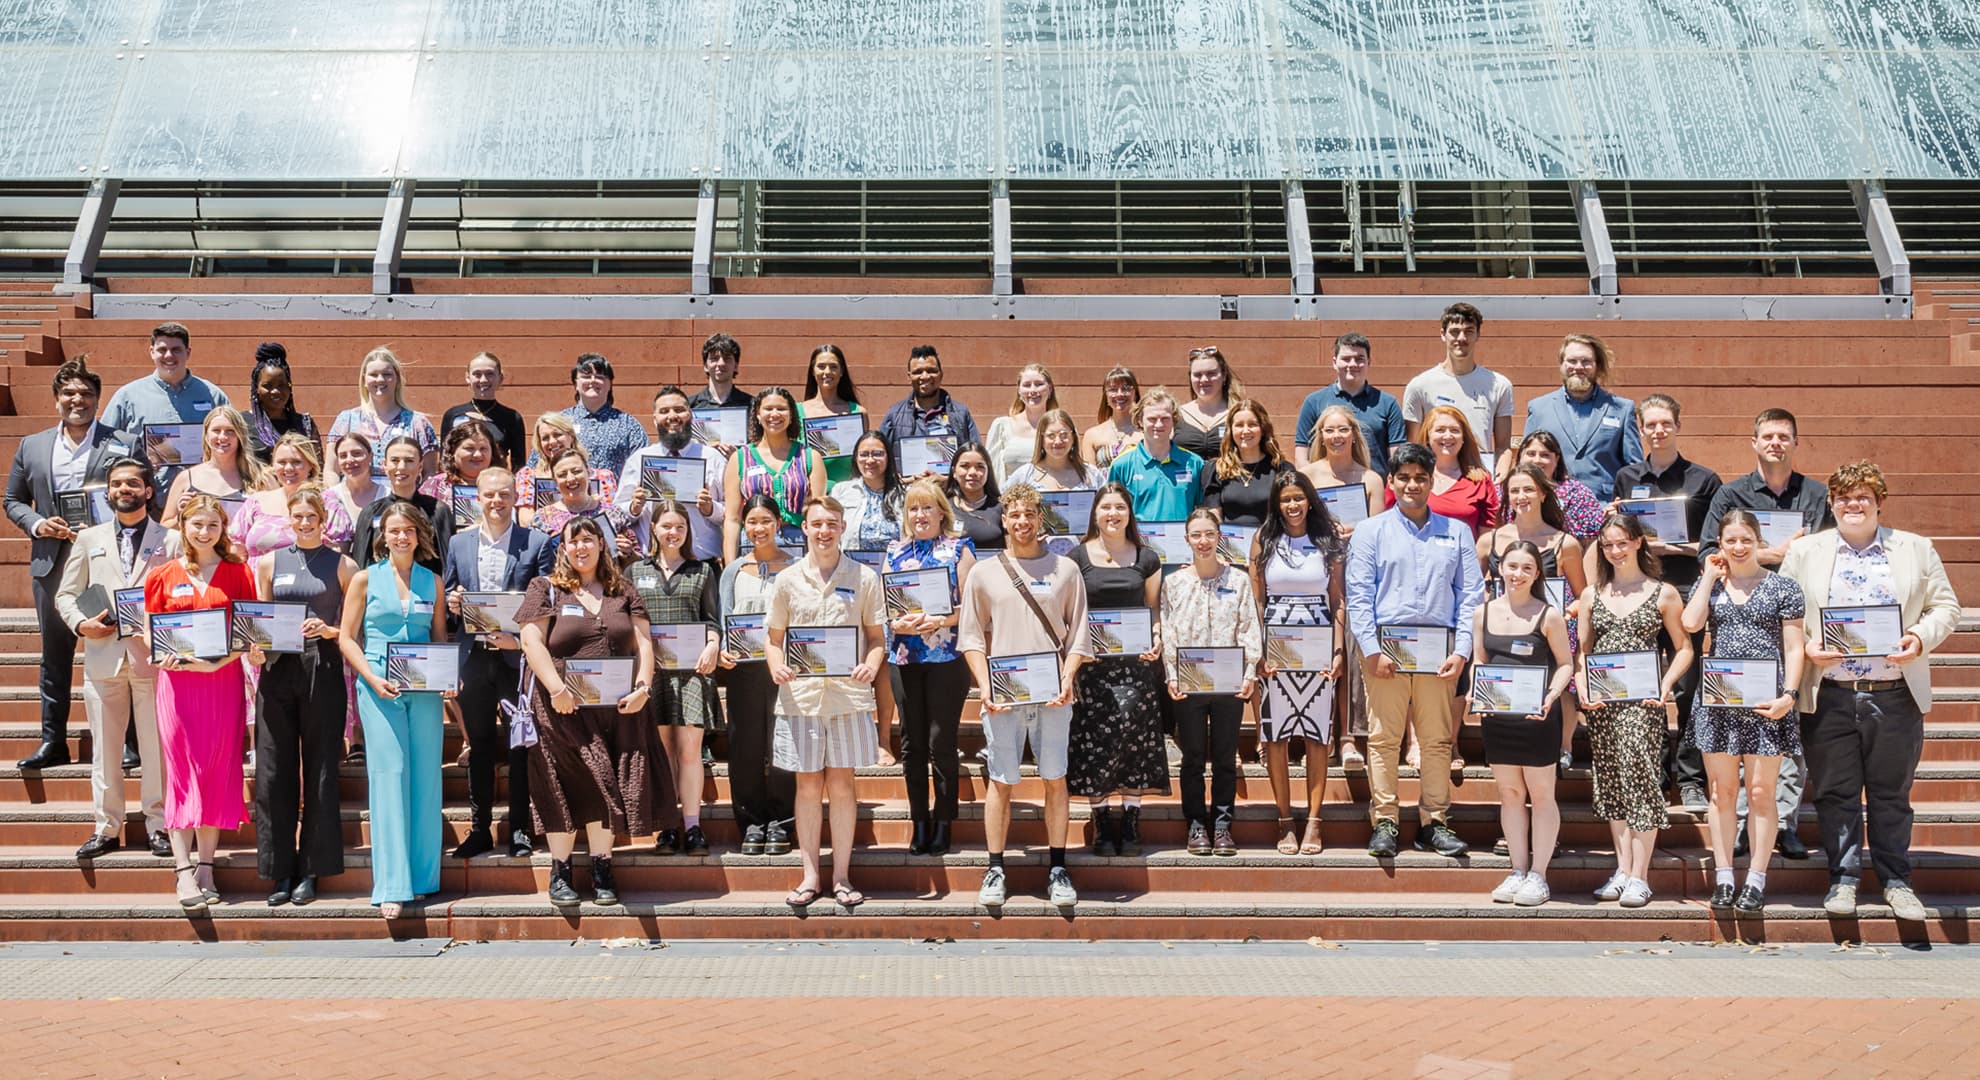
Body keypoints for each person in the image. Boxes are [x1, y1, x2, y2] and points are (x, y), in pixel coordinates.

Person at [1783, 461, 1961, 921]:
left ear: (1880, 502)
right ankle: (1842, 880)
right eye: (1843, 497)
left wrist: (1919, 637)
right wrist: (1806, 645)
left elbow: (1947, 606)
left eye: (1863, 496)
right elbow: (1784, 614)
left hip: (1895, 690)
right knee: (1836, 792)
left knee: (1890, 793)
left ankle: (1896, 881)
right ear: (1832, 504)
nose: (1853, 504)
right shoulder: (1807, 552)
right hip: (1831, 690)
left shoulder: (1916, 549)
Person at [1699, 407, 1835, 860]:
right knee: (1739, 730)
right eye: (1767, 435)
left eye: (1784, 436)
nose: (1775, 442)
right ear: (1753, 442)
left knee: (1783, 728)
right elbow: (1708, 550)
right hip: (1742, 614)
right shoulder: (1731, 493)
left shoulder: (1816, 495)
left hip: (1800, 613)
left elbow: (1828, 554)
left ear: (1796, 442)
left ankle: (1787, 822)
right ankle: (1743, 826)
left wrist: (1780, 564)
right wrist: (1773, 554)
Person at [1346, 442, 1483, 859]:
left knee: (1437, 740)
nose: (1412, 484)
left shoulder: (1455, 531)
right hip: (1385, 651)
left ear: (1430, 483)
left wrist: (1462, 650)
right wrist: (1370, 649)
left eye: (1420, 478)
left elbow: (1471, 595)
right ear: (1391, 482)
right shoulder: (1371, 531)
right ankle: (1385, 820)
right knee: (1384, 739)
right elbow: (1358, 595)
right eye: (1403, 477)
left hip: (1438, 653)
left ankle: (1434, 822)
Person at [516, 516, 660, 908]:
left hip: (618, 710)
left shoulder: (623, 589)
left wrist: (644, 687)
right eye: (572, 541)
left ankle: (601, 868)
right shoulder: (545, 588)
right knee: (562, 785)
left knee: (606, 784)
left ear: (602, 544)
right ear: (563, 548)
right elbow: (532, 642)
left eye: (588, 540)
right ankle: (560, 870)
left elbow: (645, 645)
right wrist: (557, 688)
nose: (581, 547)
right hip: (561, 708)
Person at [959, 483, 1092, 908]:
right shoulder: (984, 572)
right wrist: (983, 686)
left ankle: (1057, 866)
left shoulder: (1065, 570)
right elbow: (971, 637)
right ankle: (995, 866)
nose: (1022, 522)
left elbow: (1079, 636)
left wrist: (1069, 677)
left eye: (1029, 514)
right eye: (1014, 515)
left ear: (1040, 518)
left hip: (1053, 693)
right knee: (1001, 781)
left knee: (1055, 778)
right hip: (1004, 695)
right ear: (1004, 520)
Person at [6, 357, 139, 770]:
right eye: (69, 393)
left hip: (108, 561)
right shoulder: (33, 445)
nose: (77, 400)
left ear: (98, 399)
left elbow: (136, 493)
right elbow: (12, 500)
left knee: (123, 648)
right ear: (56, 398)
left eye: (85, 393)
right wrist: (38, 523)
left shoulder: (122, 442)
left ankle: (129, 743)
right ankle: (53, 741)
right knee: (56, 654)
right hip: (55, 561)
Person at [1681, 509, 1807, 914]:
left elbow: (1794, 647)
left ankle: (1755, 878)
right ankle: (1723, 875)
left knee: (1760, 792)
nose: (1737, 548)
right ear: (1720, 544)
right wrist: (1707, 577)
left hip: (1766, 703)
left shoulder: (1783, 587)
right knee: (1722, 793)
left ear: (1758, 541)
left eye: (1745, 540)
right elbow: (1690, 622)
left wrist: (1789, 694)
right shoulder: (1713, 586)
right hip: (1720, 702)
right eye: (1730, 540)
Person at [765, 497, 888, 909]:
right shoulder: (786, 580)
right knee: (806, 785)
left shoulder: (865, 577)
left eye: (831, 524)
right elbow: (773, 640)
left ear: (842, 527)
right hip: (800, 698)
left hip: (847, 697)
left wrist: (871, 666)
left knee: (841, 785)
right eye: (817, 524)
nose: (824, 531)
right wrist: (777, 666)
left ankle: (841, 876)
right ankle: (810, 876)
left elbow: (876, 639)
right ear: (804, 527)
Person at [338, 502, 453, 919]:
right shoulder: (365, 580)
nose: (401, 536)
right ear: (380, 536)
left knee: (425, 780)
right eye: (393, 530)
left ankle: (421, 879)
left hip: (423, 691)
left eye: (408, 530)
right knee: (390, 778)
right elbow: (347, 639)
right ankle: (391, 884)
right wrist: (370, 678)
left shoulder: (433, 581)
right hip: (379, 685)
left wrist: (448, 678)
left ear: (419, 534)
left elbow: (439, 638)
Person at [55, 456, 173, 861]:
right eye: (118, 484)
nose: (125, 490)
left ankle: (159, 825)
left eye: (133, 484)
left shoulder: (170, 539)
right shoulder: (88, 540)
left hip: (153, 659)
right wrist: (80, 625)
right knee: (106, 749)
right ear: (107, 493)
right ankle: (107, 827)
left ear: (148, 491)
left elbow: (181, 596)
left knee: (156, 748)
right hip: (103, 656)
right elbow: (65, 595)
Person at [144, 493, 257, 913]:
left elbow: (248, 631)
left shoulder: (237, 572)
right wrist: (164, 656)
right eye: (197, 525)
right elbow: (149, 636)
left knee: (217, 769)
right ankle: (181, 870)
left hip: (222, 683)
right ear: (184, 527)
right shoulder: (161, 576)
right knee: (181, 771)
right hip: (177, 688)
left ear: (222, 528)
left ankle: (206, 867)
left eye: (212, 525)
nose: (205, 532)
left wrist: (218, 665)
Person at [1610, 393, 1723, 808]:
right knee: (1644, 685)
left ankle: (1690, 777)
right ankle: (1653, 774)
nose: (1658, 431)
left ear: (1678, 426)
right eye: (1650, 425)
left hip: (1688, 590)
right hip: (1640, 592)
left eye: (1665, 424)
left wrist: (1673, 548)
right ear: (1640, 428)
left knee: (1689, 688)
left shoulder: (1704, 480)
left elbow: (1714, 544)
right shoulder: (1627, 477)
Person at [1577, 513, 1693, 909]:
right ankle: (1623, 869)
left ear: (1638, 542)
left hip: (1643, 703)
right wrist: (1583, 690)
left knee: (1641, 779)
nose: (1614, 551)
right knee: (1612, 784)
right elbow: (1583, 654)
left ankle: (1641, 876)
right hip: (1604, 703)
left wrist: (1664, 686)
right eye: (1607, 545)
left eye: (1621, 543)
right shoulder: (1592, 594)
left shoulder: (1663, 593)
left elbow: (1684, 648)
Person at [249, 484, 356, 906]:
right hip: (278, 665)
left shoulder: (343, 564)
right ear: (289, 520)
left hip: (322, 664)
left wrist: (330, 631)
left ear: (324, 521)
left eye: (313, 517)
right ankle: (279, 870)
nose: (306, 523)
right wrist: (256, 646)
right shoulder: (269, 562)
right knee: (274, 771)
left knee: (321, 768)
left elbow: (351, 625)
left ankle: (311, 869)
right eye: (299, 517)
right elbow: (259, 618)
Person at [441, 466, 554, 860]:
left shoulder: (536, 542)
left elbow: (546, 600)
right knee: (480, 745)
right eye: (489, 495)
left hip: (516, 659)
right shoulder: (458, 543)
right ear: (477, 497)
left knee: (521, 744)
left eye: (504, 495)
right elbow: (451, 598)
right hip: (474, 658)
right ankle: (479, 829)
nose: (496, 502)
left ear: (515, 497)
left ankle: (521, 829)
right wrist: (454, 604)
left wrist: (520, 640)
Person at [1468, 541, 1573, 908]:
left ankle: (1539, 875)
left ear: (1537, 574)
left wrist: (1551, 696)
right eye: (1512, 566)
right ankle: (1518, 869)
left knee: (1542, 794)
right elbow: (1480, 660)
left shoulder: (1549, 615)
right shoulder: (1482, 613)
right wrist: (1475, 690)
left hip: (1538, 718)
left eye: (1526, 568)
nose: (1517, 574)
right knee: (1510, 794)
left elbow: (1565, 664)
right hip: (1499, 718)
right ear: (1499, 568)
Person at [1066, 482, 1168, 856]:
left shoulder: (1147, 558)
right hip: (1092, 666)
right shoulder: (1077, 558)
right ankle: (1101, 819)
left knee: (1133, 739)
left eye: (1119, 508)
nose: (1113, 514)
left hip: (1135, 665)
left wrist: (1156, 636)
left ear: (1129, 513)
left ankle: (1131, 818)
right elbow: (1072, 613)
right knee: (1095, 742)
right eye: (1106, 507)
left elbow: (1153, 608)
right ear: (1095, 513)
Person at [1251, 471, 1346, 855]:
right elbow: (1257, 599)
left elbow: (1337, 599)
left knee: (1317, 736)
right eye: (1285, 499)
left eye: (1298, 498)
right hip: (1276, 652)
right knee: (1276, 736)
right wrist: (1258, 649)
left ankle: (1314, 821)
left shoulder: (1326, 541)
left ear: (1309, 500)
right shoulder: (1264, 540)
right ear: (1276, 503)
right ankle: (1285, 819)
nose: (1292, 505)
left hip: (1319, 649)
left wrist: (1339, 650)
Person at [1162, 508, 1263, 856]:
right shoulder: (1174, 582)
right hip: (1189, 683)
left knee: (1223, 756)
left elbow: (1250, 627)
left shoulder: (1237, 580)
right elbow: (1169, 630)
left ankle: (1221, 823)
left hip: (1229, 683)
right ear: (1187, 539)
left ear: (1219, 536)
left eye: (1209, 534)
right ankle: (1194, 823)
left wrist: (1250, 672)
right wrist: (1171, 674)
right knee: (1191, 756)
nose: (1203, 541)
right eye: (1196, 535)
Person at [886, 482, 979, 856]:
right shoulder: (894, 550)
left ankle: (943, 822)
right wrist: (896, 623)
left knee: (942, 743)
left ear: (942, 511)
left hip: (946, 658)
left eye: (927, 508)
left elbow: (971, 608)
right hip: (905, 657)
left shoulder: (959, 549)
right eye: (913, 509)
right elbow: (887, 607)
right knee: (912, 746)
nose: (920, 515)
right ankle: (918, 821)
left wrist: (942, 618)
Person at [627, 500, 722, 856]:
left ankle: (693, 826)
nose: (673, 532)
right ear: (653, 528)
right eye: (666, 526)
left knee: (689, 750)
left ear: (688, 530)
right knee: (663, 750)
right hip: (653, 673)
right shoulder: (635, 571)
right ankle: (668, 825)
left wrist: (713, 644)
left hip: (692, 671)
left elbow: (712, 619)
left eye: (679, 527)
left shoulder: (702, 570)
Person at [1480, 465, 1589, 771]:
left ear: (1543, 493)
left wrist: (1568, 613)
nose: (1521, 496)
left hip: (1548, 631)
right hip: (1502, 631)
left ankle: (1563, 746)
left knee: (1556, 693)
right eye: (1514, 490)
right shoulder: (1490, 540)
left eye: (1528, 489)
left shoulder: (1564, 543)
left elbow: (1584, 595)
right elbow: (1476, 591)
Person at [1296, 403, 1382, 770]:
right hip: (1315, 572)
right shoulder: (1307, 475)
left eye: (1342, 430)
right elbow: (1294, 519)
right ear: (1320, 436)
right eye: (1329, 430)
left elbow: (1379, 530)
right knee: (1316, 656)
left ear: (1353, 434)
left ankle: (1347, 738)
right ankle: (1316, 734)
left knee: (1348, 654)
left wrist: (1356, 530)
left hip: (1356, 574)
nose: (1336, 436)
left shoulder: (1370, 478)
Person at [717, 494, 798, 856]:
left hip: (785, 671)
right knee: (746, 748)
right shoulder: (733, 570)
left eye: (766, 520)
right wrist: (722, 648)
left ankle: (781, 823)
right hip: (744, 671)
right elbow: (723, 618)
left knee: (784, 744)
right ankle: (750, 821)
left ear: (779, 523)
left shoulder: (797, 567)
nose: (759, 528)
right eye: (752, 521)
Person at [99, 323, 232, 497]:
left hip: (202, 497)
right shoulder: (127, 397)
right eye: (162, 350)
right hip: (147, 499)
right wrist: (136, 463)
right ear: (152, 352)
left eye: (176, 349)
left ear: (188, 352)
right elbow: (107, 445)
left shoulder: (213, 395)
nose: (169, 356)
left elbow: (234, 440)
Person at [1522, 333, 1641, 501]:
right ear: (1561, 365)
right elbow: (1527, 464)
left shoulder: (1621, 409)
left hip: (1604, 509)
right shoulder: (1539, 408)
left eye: (1586, 361)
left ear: (1597, 366)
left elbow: (1634, 469)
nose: (1578, 367)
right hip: (1551, 508)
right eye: (1572, 361)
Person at [1401, 303, 1513, 478]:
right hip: (1436, 480)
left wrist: (1499, 478)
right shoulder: (1419, 386)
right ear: (1443, 335)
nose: (1461, 338)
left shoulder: (1499, 385)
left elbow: (1503, 446)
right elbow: (1413, 446)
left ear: (1478, 335)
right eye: (1454, 331)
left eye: (1469, 331)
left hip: (1479, 477)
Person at [616, 385, 727, 561]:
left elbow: (732, 513)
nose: (672, 416)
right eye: (664, 411)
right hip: (652, 563)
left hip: (702, 562)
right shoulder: (638, 460)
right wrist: (634, 507)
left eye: (679, 410)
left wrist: (711, 509)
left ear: (690, 415)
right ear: (654, 419)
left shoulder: (713, 458)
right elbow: (617, 512)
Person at [722, 387, 827, 560]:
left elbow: (817, 515)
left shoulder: (810, 457)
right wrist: (730, 567)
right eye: (768, 409)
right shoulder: (739, 458)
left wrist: (817, 562)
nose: (775, 414)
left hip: (797, 545)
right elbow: (732, 519)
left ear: (792, 414)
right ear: (757, 414)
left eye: (782, 409)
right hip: (752, 543)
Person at [1294, 332, 1406, 477]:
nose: (1353, 364)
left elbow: (1397, 455)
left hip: (1375, 489)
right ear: (1334, 362)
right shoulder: (1314, 401)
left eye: (1359, 359)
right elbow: (1301, 455)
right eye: (1346, 359)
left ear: (1369, 362)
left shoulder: (1387, 403)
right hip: (1327, 493)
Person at [324, 346, 439, 480]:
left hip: (403, 499)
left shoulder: (418, 423)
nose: (380, 379)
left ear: (397, 379)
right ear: (364, 380)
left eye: (387, 374)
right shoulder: (346, 420)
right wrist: (337, 499)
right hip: (354, 498)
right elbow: (331, 471)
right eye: (373, 374)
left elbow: (429, 474)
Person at [347, 436, 453, 577]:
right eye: (395, 460)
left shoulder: (437, 510)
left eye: (409, 461)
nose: (401, 467)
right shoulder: (371, 512)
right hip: (383, 593)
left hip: (427, 594)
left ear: (420, 466)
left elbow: (448, 566)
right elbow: (361, 564)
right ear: (384, 465)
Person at [236, 435, 350, 560]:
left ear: (310, 465)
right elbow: (234, 546)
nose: (289, 468)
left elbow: (339, 554)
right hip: (255, 578)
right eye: (282, 462)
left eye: (296, 462)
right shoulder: (256, 501)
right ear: (273, 465)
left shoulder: (327, 501)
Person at [1106, 387, 1206, 524]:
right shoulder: (1121, 465)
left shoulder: (1195, 463)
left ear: (1174, 421)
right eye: (1152, 419)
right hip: (1139, 544)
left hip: (1183, 543)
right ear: (1140, 421)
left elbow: (1202, 511)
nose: (1158, 424)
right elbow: (1111, 514)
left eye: (1165, 418)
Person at [878, 345, 981, 476]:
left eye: (931, 370)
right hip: (907, 492)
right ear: (909, 376)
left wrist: (949, 480)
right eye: (918, 372)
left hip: (949, 493)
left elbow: (976, 455)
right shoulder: (894, 414)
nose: (925, 376)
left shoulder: (960, 413)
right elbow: (880, 455)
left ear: (941, 374)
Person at [1398, 405, 1498, 538]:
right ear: (1427, 436)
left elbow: (1487, 535)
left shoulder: (1480, 481)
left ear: (1463, 439)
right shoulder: (1405, 477)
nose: (1448, 436)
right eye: (1440, 430)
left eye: (1455, 430)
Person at [159, 405, 262, 528]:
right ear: (206, 435)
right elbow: (164, 527)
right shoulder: (186, 478)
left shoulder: (258, 478)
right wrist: (182, 515)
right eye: (216, 430)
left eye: (230, 431)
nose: (223, 437)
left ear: (240, 436)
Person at [533, 447, 636, 563]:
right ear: (555, 480)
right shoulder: (542, 518)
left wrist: (628, 552)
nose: (570, 478)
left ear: (588, 471)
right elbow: (536, 562)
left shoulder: (613, 513)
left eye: (576, 471)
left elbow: (637, 559)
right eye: (562, 475)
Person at [516, 412, 619, 524]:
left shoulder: (602, 477)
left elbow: (611, 518)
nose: (552, 441)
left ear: (571, 436)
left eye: (557, 435)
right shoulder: (529, 477)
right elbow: (525, 521)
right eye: (545, 438)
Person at [1203, 398, 1292, 526]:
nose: (1245, 431)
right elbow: (1215, 518)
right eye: (1239, 425)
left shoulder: (1282, 469)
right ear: (1231, 430)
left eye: (1252, 424)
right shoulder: (1217, 470)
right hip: (1231, 544)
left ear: (1263, 429)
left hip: (1271, 542)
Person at [560, 353, 648, 480]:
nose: (592, 380)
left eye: (599, 377)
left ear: (609, 384)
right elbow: (537, 465)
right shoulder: (560, 422)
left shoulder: (629, 425)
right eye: (586, 376)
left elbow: (643, 468)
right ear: (575, 384)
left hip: (615, 499)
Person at [441, 351, 528, 472]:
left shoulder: (512, 417)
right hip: (459, 486)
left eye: (490, 374)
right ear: (468, 377)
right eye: (477, 374)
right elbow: (444, 458)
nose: (483, 380)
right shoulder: (452, 415)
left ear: (500, 378)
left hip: (495, 485)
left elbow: (519, 465)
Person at [797, 343, 866, 486]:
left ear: (841, 372)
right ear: (812, 371)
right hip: (810, 495)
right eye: (821, 366)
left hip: (849, 493)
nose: (827, 372)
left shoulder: (858, 412)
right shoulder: (796, 411)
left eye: (833, 367)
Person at [1516, 431, 1604, 539]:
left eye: (1545, 455)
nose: (1537, 460)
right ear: (1520, 456)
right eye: (1531, 454)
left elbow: (1591, 539)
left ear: (1556, 459)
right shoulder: (1503, 491)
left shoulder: (1577, 493)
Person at [984, 362, 1059, 488]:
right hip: (1012, 503)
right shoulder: (1002, 426)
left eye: (1039, 384)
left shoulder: (1060, 427)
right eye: (1027, 385)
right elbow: (991, 471)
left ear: (1050, 389)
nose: (1033, 390)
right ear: (1019, 390)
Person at [830, 431, 905, 556]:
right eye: (864, 455)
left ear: (888, 457)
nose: (870, 460)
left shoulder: (905, 494)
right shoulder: (841, 491)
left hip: (896, 567)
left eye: (877, 454)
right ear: (856, 458)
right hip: (853, 568)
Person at [242, 343, 319, 464]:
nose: (276, 391)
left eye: (282, 385)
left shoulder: (305, 424)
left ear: (290, 387)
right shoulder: (242, 423)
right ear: (256, 388)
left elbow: (318, 469)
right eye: (268, 386)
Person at [1007, 408, 1104, 492]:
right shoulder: (1025, 475)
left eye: (1064, 435)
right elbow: (1002, 503)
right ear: (1042, 439)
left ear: (1073, 437)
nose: (1058, 441)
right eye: (1051, 436)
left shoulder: (1091, 474)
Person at [323, 432, 381, 553]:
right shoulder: (327, 499)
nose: (349, 460)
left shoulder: (387, 496)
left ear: (370, 456)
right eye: (343, 456)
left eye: (357, 454)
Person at [416, 417, 496, 502]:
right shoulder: (435, 485)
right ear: (453, 450)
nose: (477, 455)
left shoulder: (507, 484)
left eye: (483, 448)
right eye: (470, 448)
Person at [1079, 365, 1142, 471]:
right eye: (1113, 389)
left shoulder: (1147, 432)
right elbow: (1091, 479)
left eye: (1126, 389)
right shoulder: (1092, 435)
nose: (1120, 394)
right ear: (1105, 396)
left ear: (1135, 394)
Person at [946, 442, 1004, 552]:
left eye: (980, 467)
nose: (972, 472)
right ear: (954, 472)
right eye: (965, 466)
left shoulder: (1002, 508)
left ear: (988, 471)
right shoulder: (942, 508)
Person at [689, 331, 752, 409]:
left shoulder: (751, 405)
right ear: (705, 366)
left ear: (736, 366)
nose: (721, 363)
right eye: (714, 358)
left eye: (727, 358)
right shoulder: (690, 406)